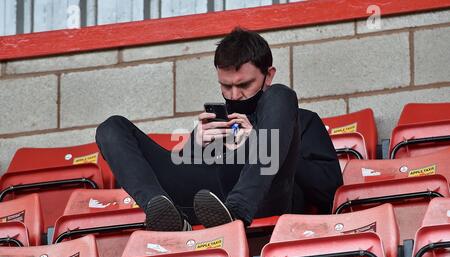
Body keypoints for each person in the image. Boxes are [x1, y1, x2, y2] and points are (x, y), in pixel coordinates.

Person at [95, 27, 342, 232]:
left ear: (268, 75)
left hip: (267, 201)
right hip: (207, 207)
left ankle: (237, 211)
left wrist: (261, 141)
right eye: (226, 86)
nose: (234, 95)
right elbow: (189, 179)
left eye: (244, 84)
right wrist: (194, 146)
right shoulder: (215, 125)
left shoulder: (303, 120)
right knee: (111, 128)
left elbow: (328, 190)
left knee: (282, 95)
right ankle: (166, 217)